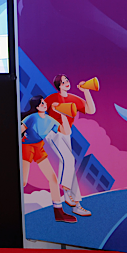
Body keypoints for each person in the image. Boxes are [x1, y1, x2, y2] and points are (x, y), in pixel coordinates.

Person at [44, 74, 96, 217]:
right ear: (58, 85)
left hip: (66, 133)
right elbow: (40, 112)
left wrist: (86, 91)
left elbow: (91, 110)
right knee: (68, 159)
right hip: (53, 132)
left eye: (67, 80)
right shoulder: (52, 98)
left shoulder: (73, 98)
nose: (66, 83)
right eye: (63, 82)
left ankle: (77, 205)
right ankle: (66, 191)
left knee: (69, 164)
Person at [20, 95, 76, 223]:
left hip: (38, 147)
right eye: (41, 103)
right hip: (26, 147)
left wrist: (63, 114)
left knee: (53, 179)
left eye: (44, 102)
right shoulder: (32, 118)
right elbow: (19, 130)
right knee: (23, 181)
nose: (44, 104)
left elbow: (66, 132)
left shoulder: (50, 120)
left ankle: (59, 212)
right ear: (36, 107)